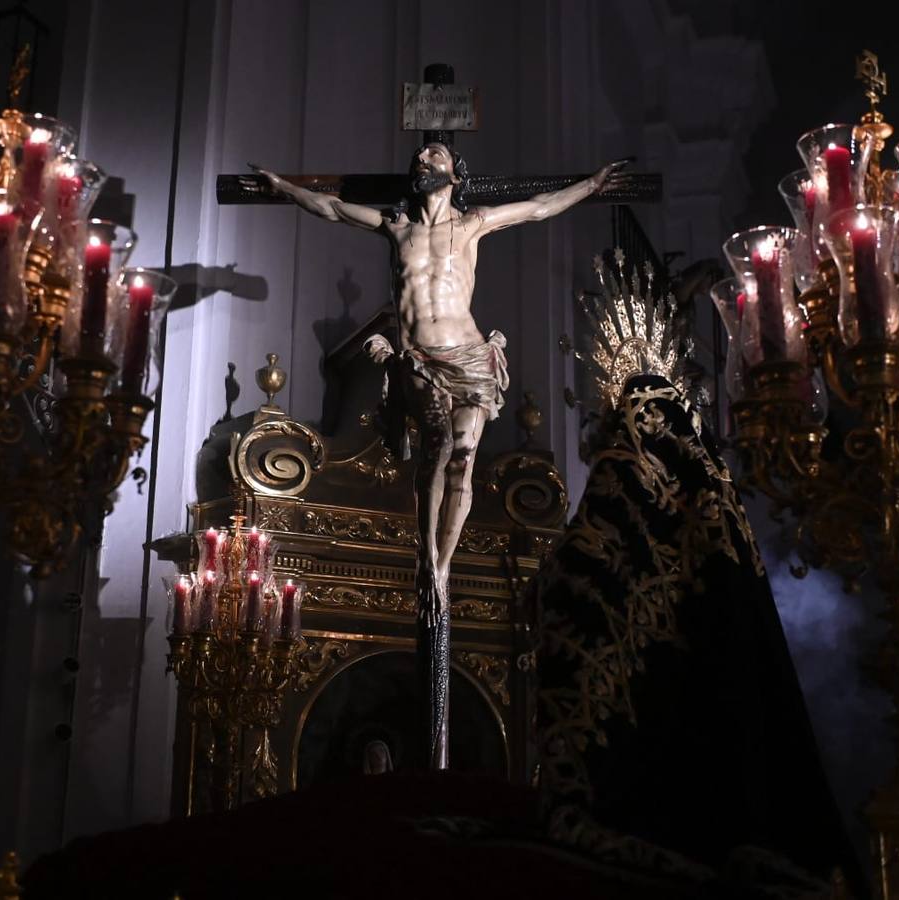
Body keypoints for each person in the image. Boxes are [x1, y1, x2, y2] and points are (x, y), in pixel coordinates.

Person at [252, 143, 626, 767]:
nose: (426, 156)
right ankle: (428, 559)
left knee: (463, 460)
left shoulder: (474, 223)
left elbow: (537, 209)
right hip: (420, 359)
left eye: (438, 152)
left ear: (455, 173)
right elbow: (333, 207)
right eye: (422, 153)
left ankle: (443, 567)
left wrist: (590, 185)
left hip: (471, 356)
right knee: (434, 455)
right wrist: (282, 187)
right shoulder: (395, 226)